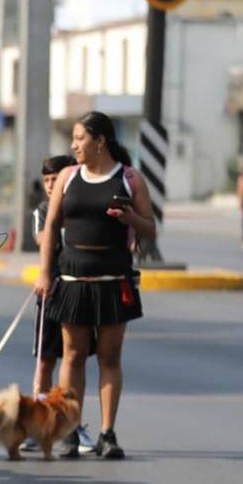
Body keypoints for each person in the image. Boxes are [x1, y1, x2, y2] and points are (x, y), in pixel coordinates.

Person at [35, 111, 156, 460]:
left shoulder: (130, 178)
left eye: (79, 138)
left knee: (109, 357)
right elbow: (51, 226)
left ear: (100, 141)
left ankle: (106, 433)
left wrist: (130, 218)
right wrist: (45, 272)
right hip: (72, 280)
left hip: (113, 280)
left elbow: (150, 229)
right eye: (73, 139)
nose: (73, 145)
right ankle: (70, 430)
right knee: (71, 355)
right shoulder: (68, 178)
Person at [27, 154, 96, 457]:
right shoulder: (43, 211)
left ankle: (72, 425)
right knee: (46, 360)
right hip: (52, 294)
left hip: (79, 294)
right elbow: (44, 239)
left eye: (57, 179)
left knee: (76, 358)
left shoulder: (81, 210)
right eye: (47, 180)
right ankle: (36, 422)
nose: (52, 185)